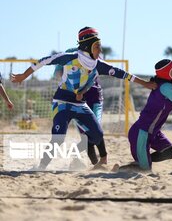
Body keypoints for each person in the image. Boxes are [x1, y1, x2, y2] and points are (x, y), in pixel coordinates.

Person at [11, 26, 157, 170]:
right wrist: (23, 76)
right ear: (87, 46)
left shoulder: (98, 65)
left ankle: (94, 162)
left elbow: (122, 73)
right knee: (58, 138)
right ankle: (41, 167)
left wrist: (145, 83)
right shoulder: (69, 58)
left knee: (98, 135)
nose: (100, 50)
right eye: (97, 46)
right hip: (62, 102)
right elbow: (43, 61)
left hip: (80, 105)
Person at [113, 59, 172, 171]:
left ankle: (140, 161)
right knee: (145, 171)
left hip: (153, 132)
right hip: (141, 133)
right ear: (167, 74)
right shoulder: (166, 87)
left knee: (170, 152)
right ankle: (124, 168)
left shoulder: (167, 85)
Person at [53, 48, 104, 165]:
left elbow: (101, 70)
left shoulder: (95, 54)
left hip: (95, 97)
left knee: (96, 131)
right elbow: (57, 73)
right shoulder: (70, 53)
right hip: (76, 100)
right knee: (85, 135)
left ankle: (102, 161)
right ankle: (96, 165)